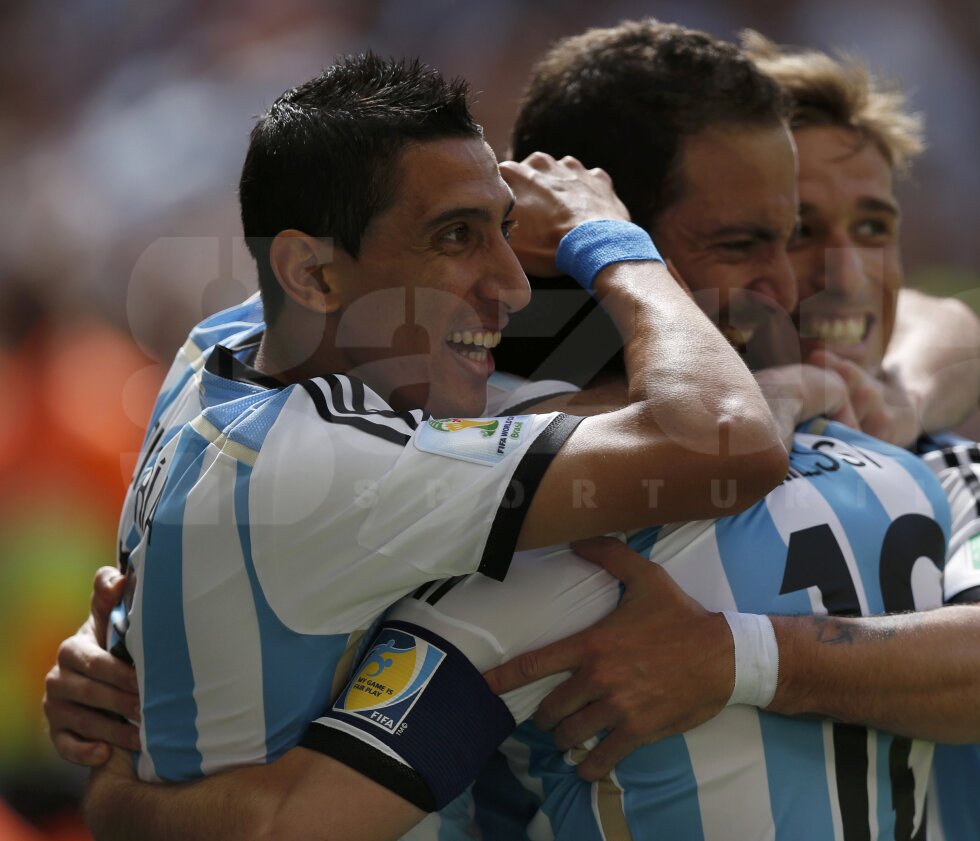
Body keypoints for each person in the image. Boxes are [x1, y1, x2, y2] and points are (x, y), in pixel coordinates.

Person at [53, 22, 980, 841]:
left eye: (875, 227)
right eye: (770, 234)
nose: (826, 275)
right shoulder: (551, 516)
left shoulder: (949, 453)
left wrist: (736, 656)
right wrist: (172, 638)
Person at [60, 46, 800, 826]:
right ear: (311, 275)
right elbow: (727, 442)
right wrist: (607, 239)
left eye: (504, 230)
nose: (514, 286)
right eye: (455, 238)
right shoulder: (330, 468)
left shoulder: (218, 347)